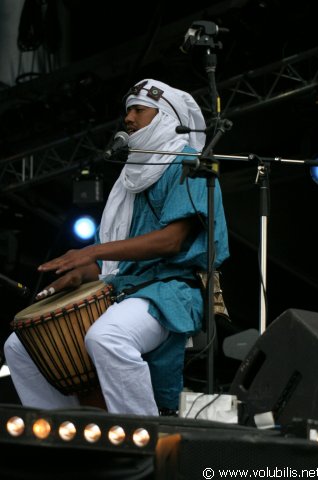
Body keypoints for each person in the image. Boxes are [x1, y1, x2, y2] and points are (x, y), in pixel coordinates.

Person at [4, 79, 229, 416]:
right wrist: (75, 274)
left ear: (165, 116)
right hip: (124, 289)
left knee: (107, 337)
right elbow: (105, 263)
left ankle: (142, 440)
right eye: (127, 112)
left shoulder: (189, 164)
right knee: (19, 346)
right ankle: (70, 438)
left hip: (172, 290)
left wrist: (92, 253)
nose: (128, 118)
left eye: (138, 110)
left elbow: (172, 241)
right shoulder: (129, 178)